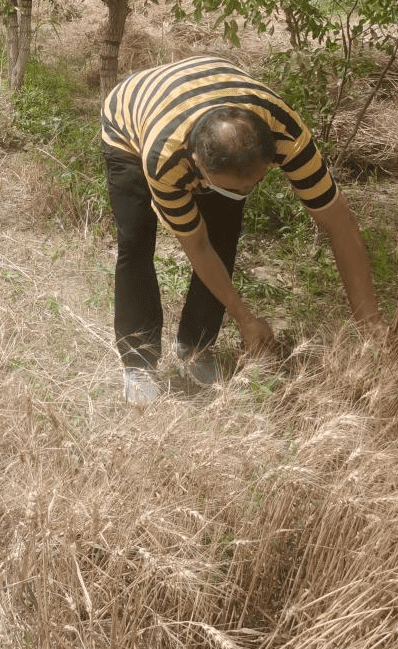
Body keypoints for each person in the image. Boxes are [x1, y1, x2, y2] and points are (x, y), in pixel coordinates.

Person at [101, 55, 380, 402]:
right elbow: (196, 245)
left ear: (270, 154)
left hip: (207, 95)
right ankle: (139, 361)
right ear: (198, 163)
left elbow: (340, 224)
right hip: (129, 119)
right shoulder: (165, 158)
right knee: (136, 242)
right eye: (231, 188)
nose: (243, 194)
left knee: (225, 233)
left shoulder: (285, 133)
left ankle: (196, 347)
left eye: (253, 184)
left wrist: (371, 327)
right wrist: (245, 317)